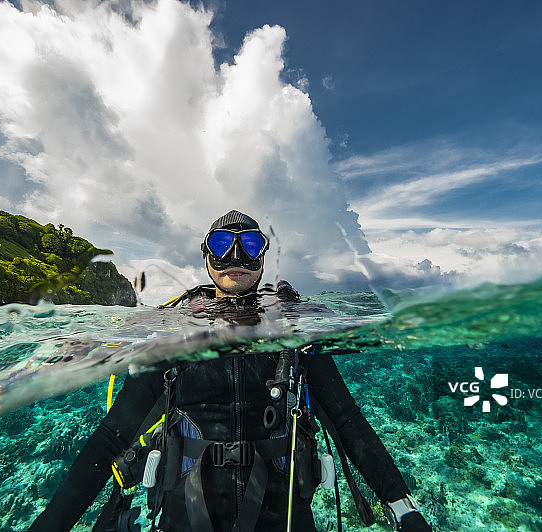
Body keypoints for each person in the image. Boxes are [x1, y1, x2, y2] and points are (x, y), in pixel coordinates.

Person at [29, 210, 432, 532]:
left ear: (262, 257)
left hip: (285, 519)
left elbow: (346, 421)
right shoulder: (173, 329)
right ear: (206, 257)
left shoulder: (294, 327)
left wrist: (402, 505)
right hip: (184, 517)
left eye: (249, 244)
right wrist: (52, 524)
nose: (235, 257)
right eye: (223, 244)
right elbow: (111, 438)